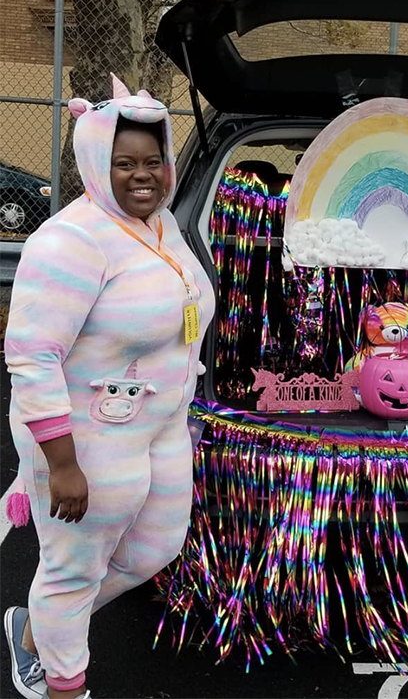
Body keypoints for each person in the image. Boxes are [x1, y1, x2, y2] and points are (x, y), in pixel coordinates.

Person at [3, 75, 215, 699]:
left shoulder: (160, 226)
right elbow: (32, 357)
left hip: (158, 427)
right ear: (97, 163)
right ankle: (63, 682)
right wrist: (59, 463)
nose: (142, 175)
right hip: (86, 439)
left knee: (154, 547)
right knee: (71, 573)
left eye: (154, 161)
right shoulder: (70, 240)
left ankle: (38, 632)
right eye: (125, 163)